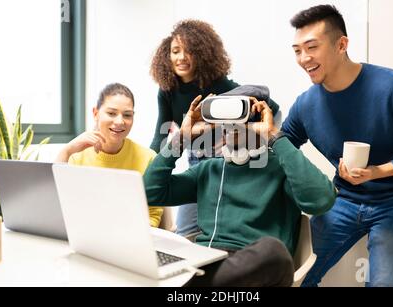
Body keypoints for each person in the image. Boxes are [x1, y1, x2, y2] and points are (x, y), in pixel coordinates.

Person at [282, 4, 393, 287]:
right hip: (342, 198)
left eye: (312, 47)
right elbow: (282, 149)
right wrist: (262, 134)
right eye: (297, 50)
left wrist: (379, 171)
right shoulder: (306, 105)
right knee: (293, 277)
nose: (304, 58)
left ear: (341, 44)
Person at [143, 91, 336, 287]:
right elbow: (149, 192)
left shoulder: (281, 167)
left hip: (254, 270)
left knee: (274, 251)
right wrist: (181, 138)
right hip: (207, 262)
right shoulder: (209, 169)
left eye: (240, 116)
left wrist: (274, 136)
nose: (231, 125)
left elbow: (322, 200)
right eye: (225, 118)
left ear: (259, 120)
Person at [150, 19, 280, 236]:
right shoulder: (167, 91)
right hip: (195, 160)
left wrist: (256, 138)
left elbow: (271, 107)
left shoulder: (217, 84)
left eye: (188, 51)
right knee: (185, 231)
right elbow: (159, 137)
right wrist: (147, 167)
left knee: (223, 226)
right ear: (167, 55)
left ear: (201, 54)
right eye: (175, 51)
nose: (181, 57)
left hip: (223, 162)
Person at [56, 83, 163, 227]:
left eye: (127, 115)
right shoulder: (77, 157)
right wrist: (66, 151)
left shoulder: (148, 158)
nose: (120, 121)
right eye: (111, 113)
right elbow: (59, 207)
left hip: (132, 239)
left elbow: (153, 214)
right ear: (95, 113)